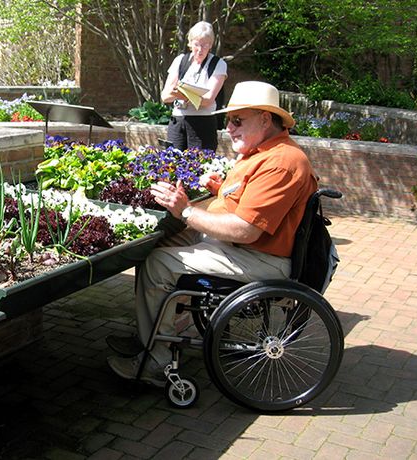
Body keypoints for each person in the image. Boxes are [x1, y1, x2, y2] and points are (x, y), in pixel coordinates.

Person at [106, 81, 318, 387]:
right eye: (228, 121)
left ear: (265, 119)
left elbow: (246, 230)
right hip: (243, 247)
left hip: (259, 257)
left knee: (157, 264)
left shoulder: (281, 163)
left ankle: (157, 361)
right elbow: (251, 201)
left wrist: (186, 211)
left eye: (237, 120)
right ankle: (152, 334)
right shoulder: (264, 152)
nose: (229, 128)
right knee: (158, 243)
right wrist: (218, 189)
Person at [161, 21, 227, 151]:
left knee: (199, 165)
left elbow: (208, 100)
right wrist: (183, 95)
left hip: (203, 123)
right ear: (190, 43)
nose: (200, 49)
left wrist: (183, 95)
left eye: (205, 45)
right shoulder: (180, 61)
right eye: (196, 44)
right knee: (171, 163)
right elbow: (165, 96)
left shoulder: (218, 64)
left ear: (210, 45)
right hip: (178, 121)